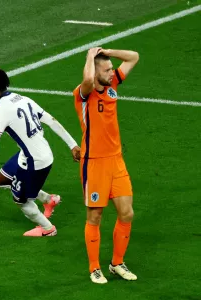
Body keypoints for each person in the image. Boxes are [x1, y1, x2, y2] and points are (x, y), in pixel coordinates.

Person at [0, 67, 80, 236]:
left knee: (21, 200)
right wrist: (73, 144)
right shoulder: (24, 99)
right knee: (2, 179)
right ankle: (49, 200)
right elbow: (51, 120)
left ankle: (48, 229)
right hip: (31, 154)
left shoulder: (1, 111)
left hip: (36, 162)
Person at [73, 47, 139, 284]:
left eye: (112, 69)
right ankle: (94, 268)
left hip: (116, 160)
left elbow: (134, 57)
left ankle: (117, 263)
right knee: (95, 216)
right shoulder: (83, 94)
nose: (112, 73)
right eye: (107, 70)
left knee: (127, 213)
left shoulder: (113, 85)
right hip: (95, 164)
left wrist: (108, 51)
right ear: (95, 71)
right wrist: (90, 56)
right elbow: (89, 80)